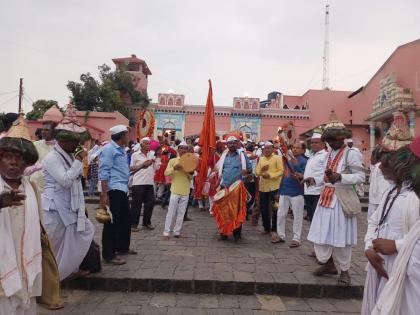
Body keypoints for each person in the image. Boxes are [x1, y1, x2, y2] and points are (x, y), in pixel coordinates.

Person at [307, 112, 365, 286]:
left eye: (334, 140)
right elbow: (326, 177)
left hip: (341, 202)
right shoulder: (329, 154)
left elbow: (360, 177)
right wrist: (314, 180)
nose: (331, 143)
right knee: (321, 234)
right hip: (325, 199)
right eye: (329, 140)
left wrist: (341, 177)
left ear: (342, 138)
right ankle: (328, 265)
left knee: (341, 237)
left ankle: (345, 272)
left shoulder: (352, 153)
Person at [362, 146, 419, 314]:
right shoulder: (390, 191)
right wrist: (368, 248)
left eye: (385, 164)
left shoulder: (415, 197)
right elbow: (375, 220)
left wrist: (397, 245)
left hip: (404, 262)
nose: (379, 167)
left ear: (401, 168)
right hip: (378, 258)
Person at [42, 107, 95, 280]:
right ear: (64, 140)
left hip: (68, 206)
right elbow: (65, 180)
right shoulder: (52, 158)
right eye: (74, 142)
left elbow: (75, 177)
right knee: (54, 247)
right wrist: (79, 162)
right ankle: (51, 281)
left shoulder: (69, 156)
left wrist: (77, 163)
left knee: (85, 231)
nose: (77, 146)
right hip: (53, 208)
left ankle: (65, 271)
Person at [0, 115, 43, 314]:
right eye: (8, 156)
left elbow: (40, 228)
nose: (13, 162)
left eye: (19, 158)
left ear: (27, 163)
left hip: (27, 272)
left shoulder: (32, 189)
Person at [99, 124, 135, 265]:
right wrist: (104, 194)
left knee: (125, 220)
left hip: (122, 189)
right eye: (127, 134)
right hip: (113, 190)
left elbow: (123, 171)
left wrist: (140, 166)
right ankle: (109, 254)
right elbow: (104, 172)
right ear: (121, 136)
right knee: (112, 223)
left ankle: (122, 247)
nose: (128, 137)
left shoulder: (121, 150)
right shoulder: (109, 149)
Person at [214, 135, 252, 242]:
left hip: (237, 188)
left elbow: (250, 170)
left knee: (236, 211)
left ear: (238, 144)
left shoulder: (242, 156)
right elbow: (219, 171)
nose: (232, 145)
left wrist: (247, 172)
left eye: (234, 142)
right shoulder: (224, 156)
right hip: (224, 187)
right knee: (223, 211)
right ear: (226, 145)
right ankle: (224, 233)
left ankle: (237, 235)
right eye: (229, 143)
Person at [277, 142, 307, 247]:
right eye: (293, 147)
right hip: (284, 190)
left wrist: (296, 165)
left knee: (297, 216)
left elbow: (304, 176)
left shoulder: (305, 161)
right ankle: (280, 235)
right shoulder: (288, 160)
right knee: (280, 214)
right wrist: (279, 189)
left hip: (297, 192)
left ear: (303, 150)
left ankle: (296, 238)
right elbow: (284, 175)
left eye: (298, 148)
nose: (295, 150)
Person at [162, 141, 192, 240]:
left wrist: (185, 170)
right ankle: (166, 233)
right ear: (178, 150)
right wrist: (175, 168)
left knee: (181, 212)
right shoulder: (173, 161)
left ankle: (177, 232)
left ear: (188, 150)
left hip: (186, 189)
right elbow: (166, 173)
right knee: (171, 211)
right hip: (175, 189)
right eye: (181, 148)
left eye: (185, 148)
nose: (183, 150)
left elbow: (191, 177)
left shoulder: (190, 161)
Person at [130, 137, 161, 231]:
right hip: (138, 182)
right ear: (141, 144)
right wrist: (143, 164)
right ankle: (134, 224)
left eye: (149, 144)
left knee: (150, 203)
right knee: (136, 204)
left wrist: (157, 160)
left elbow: (156, 168)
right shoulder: (135, 155)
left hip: (149, 183)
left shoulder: (152, 154)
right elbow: (131, 168)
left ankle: (147, 223)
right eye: (146, 144)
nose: (148, 145)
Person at [255, 141, 284, 242]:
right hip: (263, 188)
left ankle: (274, 229)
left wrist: (270, 175)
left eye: (268, 148)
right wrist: (262, 170)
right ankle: (266, 227)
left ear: (273, 149)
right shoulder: (261, 159)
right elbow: (257, 172)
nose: (266, 150)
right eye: (265, 148)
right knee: (263, 209)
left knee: (275, 209)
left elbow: (281, 171)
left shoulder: (277, 158)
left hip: (274, 187)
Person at [24, 120, 57, 192]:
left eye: (47, 130)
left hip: (52, 187)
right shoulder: (35, 145)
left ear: (54, 132)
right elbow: (28, 163)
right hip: (35, 184)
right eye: (42, 129)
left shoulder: (59, 147)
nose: (43, 132)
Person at [303, 132, 327, 223]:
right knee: (312, 218)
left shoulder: (325, 155)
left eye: (316, 142)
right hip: (308, 191)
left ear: (323, 144)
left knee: (317, 219)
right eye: (312, 142)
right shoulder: (312, 155)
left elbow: (325, 174)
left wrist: (315, 180)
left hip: (318, 192)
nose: (313, 144)